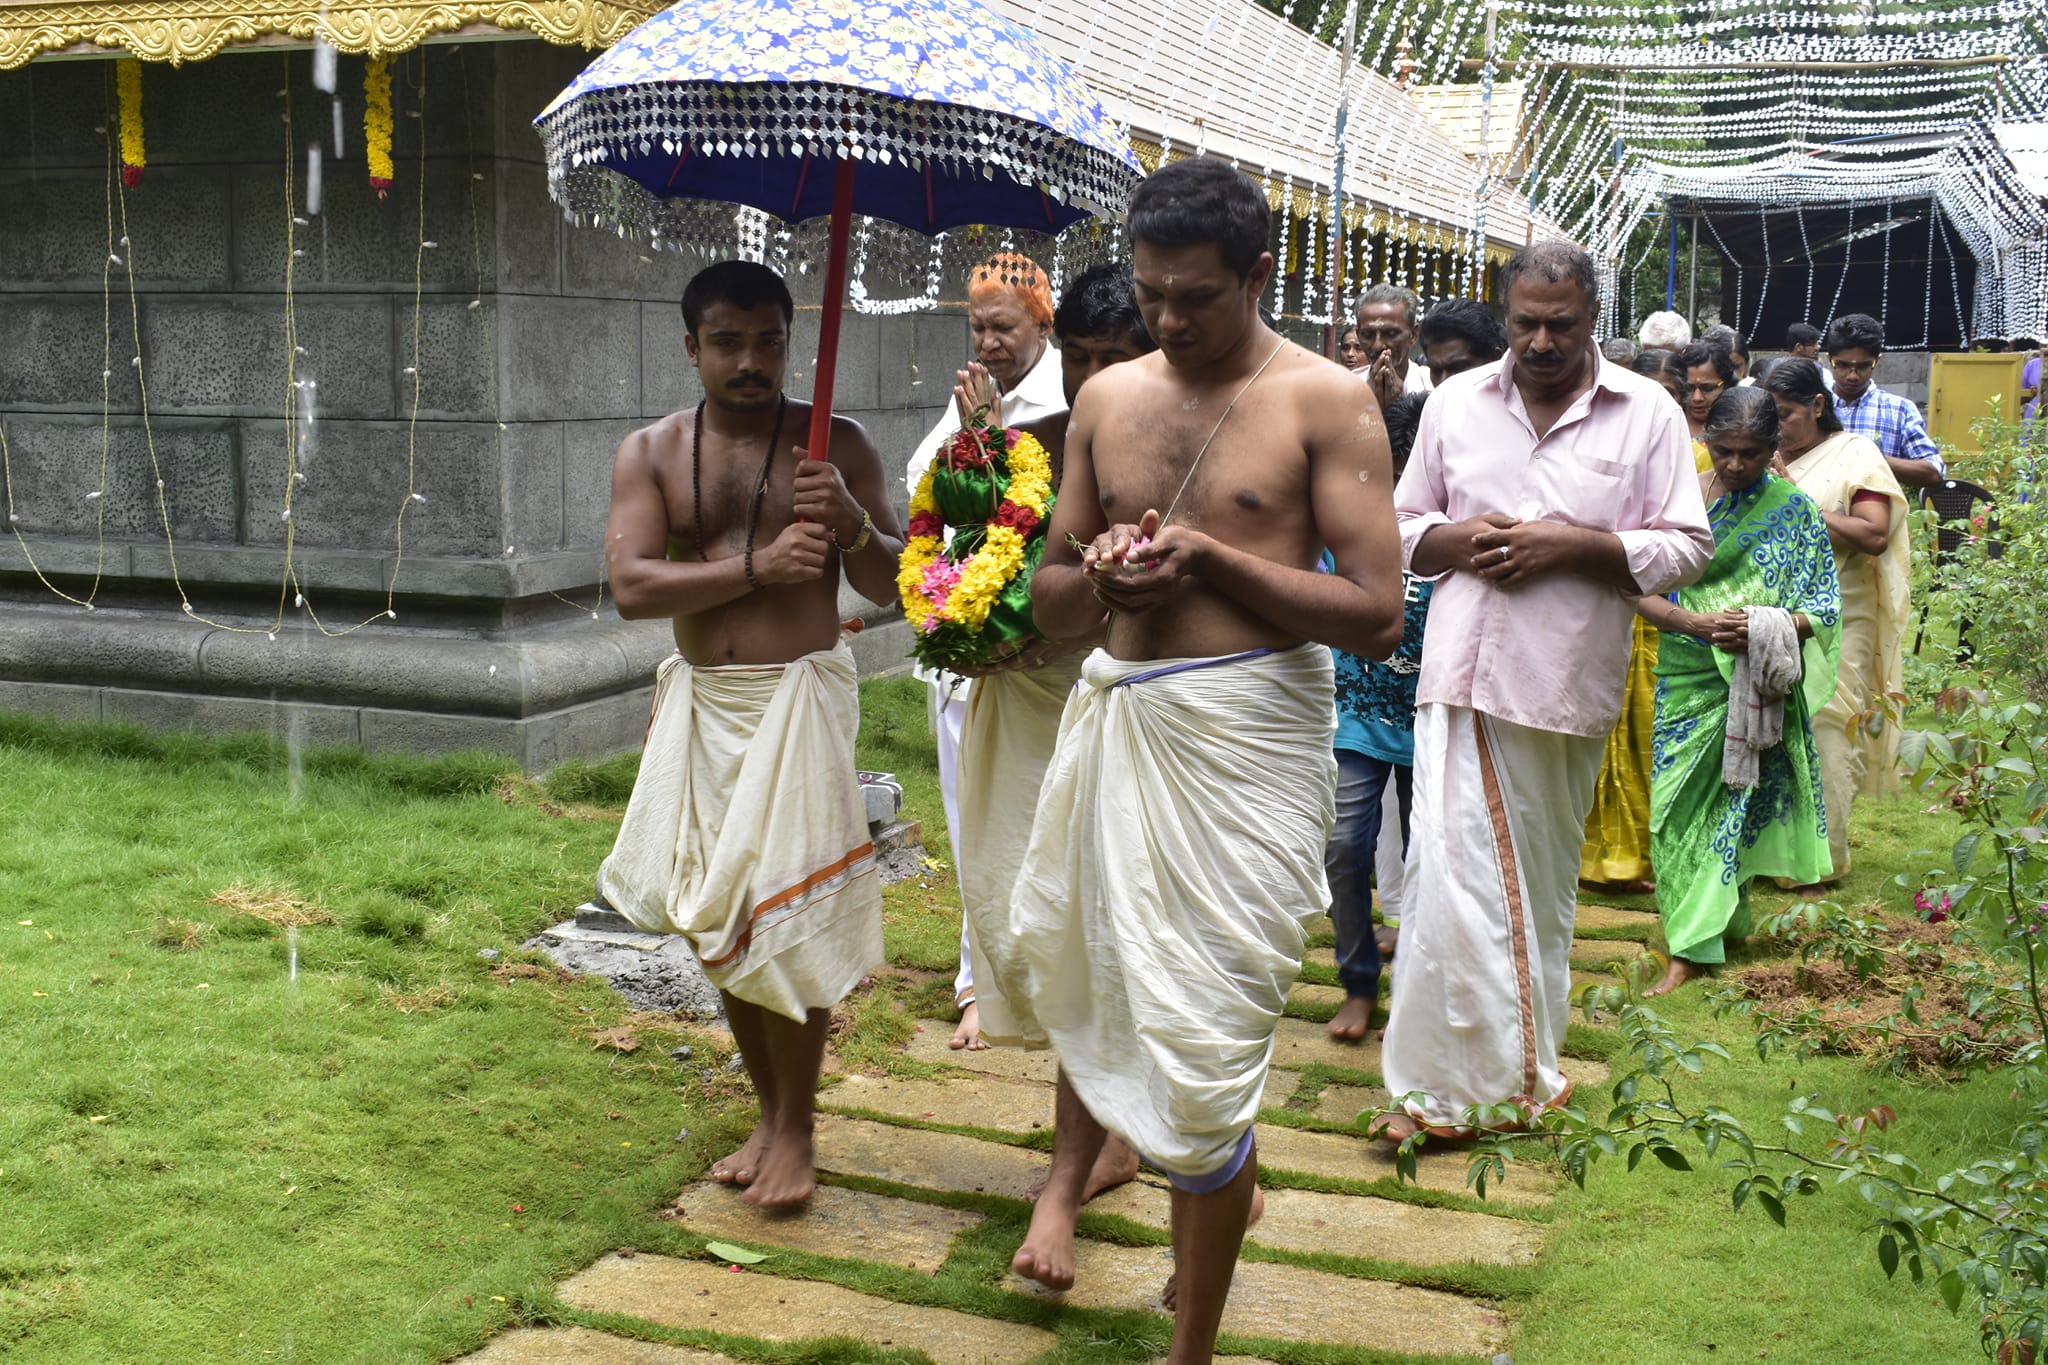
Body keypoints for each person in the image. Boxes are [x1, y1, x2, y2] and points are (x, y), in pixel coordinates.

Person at [995, 156, 1403, 1363]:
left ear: (1257, 276)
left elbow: (1378, 612)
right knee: (1123, 995)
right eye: (1152, 294)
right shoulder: (1110, 400)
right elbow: (1051, 599)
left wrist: (1216, 563)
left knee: (1211, 1036)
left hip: (1245, 746)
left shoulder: (1323, 400)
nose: (1168, 320)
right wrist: (1099, 580)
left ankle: (1190, 1349)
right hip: (1122, 722)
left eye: (1196, 297)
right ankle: (1204, 1183)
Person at [1373, 240, 1712, 1143]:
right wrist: (1460, 541)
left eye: (1561, 323)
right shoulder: (1453, 403)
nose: (1542, 340)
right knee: (1448, 882)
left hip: (1563, 682)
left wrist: (1572, 546)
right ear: (1506, 314)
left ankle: (1522, 1069)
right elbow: (1403, 527)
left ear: (1594, 315)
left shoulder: (1647, 414)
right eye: (1526, 322)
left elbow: (1687, 543)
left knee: (1538, 892)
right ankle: (1443, 1094)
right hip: (1458, 674)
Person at [594, 261, 906, 1206]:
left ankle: (800, 1130)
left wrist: (852, 525)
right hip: (703, 699)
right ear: (692, 347)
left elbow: (895, 585)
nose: (751, 359)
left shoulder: (835, 444)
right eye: (728, 341)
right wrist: (761, 564)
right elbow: (634, 586)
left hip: (799, 699)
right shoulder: (650, 451)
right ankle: (770, 1110)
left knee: (788, 909)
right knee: (716, 909)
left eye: (769, 338)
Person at [946, 260, 1152, 1199]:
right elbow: (961, 559)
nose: (1095, 378)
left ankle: (1103, 1139)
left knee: (1092, 919)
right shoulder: (1026, 440)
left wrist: (1065, 625)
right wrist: (969, 624)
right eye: (1083, 357)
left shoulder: (1166, 447)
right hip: (1022, 708)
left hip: (1120, 705)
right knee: (1017, 905)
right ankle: (1101, 1118)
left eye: (1118, 356)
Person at [902, 252, 1067, 1052]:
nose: (990, 342)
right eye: (978, 328)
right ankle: (978, 983)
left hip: (1034, 652)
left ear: (1045, 321)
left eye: (1004, 326)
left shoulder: (1068, 396)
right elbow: (922, 489)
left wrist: (990, 442)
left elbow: (1042, 510)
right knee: (970, 818)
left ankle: (1043, 979)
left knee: (1034, 822)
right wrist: (970, 437)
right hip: (961, 644)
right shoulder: (972, 394)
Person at [1639, 389, 1840, 996]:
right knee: (1671, 811)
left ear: (1773, 448)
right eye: (1723, 451)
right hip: (1684, 672)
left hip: (1752, 680)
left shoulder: (1795, 511)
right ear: (1706, 442)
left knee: (1733, 803)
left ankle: (1690, 945)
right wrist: (1689, 623)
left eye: (1750, 453)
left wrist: (1765, 623)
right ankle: (1712, 924)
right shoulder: (1682, 501)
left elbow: (1825, 606)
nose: (1734, 465)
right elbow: (1633, 586)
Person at [1761, 358, 1911, 886]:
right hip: (1774, 614)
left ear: (1818, 406)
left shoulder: (1856, 456)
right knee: (1769, 727)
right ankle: (1771, 855)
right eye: (1768, 418)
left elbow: (1874, 535)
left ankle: (1823, 858)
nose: (1777, 428)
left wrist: (1793, 500)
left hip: (1841, 614)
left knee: (1826, 723)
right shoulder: (1761, 457)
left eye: (1786, 415)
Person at [1325, 390, 1433, 1042]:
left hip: (1433, 717)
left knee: (1434, 859)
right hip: (1357, 713)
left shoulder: (1462, 519)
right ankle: (1358, 979)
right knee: (1343, 848)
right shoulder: (1352, 517)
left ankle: (1420, 987)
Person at [1823, 313, 1945, 491]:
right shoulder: (1812, 407)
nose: (1852, 376)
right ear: (1830, 359)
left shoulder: (1899, 410)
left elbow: (1934, 473)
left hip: (1878, 515)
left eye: (1863, 366)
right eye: (1842, 365)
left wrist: (1874, 458)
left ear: (1877, 361)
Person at [1356, 283, 1433, 407]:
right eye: (1368, 335)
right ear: (1358, 334)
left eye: (1391, 334)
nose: (1377, 345)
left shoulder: (1433, 387)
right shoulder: (1345, 389)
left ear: (1413, 335)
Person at [1416, 298, 1509, 389]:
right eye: (1436, 371)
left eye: (1457, 368)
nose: (1443, 383)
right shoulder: (1429, 403)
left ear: (1494, 360)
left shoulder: (1519, 403)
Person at [1668, 340, 1738, 442]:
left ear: (1726, 385)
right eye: (1689, 388)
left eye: (1708, 388)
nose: (1697, 398)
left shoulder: (1740, 425)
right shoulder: (1668, 425)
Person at [1786, 322, 1832, 390]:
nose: (1818, 347)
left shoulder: (1822, 372)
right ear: (1799, 347)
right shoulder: (1781, 372)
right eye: (1813, 344)